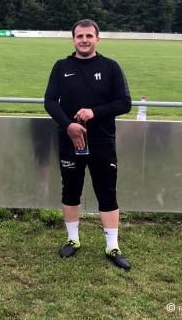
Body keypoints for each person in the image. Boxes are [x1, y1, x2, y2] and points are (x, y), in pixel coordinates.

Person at [44, 19, 132, 270]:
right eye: (80, 36)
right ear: (73, 39)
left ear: (97, 39)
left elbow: (124, 103)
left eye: (89, 36)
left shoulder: (110, 67)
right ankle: (73, 240)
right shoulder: (62, 67)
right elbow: (50, 101)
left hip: (102, 141)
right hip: (70, 141)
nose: (84, 40)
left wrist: (95, 112)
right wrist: (68, 126)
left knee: (107, 192)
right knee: (71, 190)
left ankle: (112, 246)